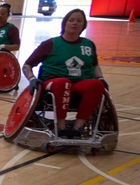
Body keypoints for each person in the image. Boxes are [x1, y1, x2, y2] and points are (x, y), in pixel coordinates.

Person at [22, 8, 106, 139]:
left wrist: (100, 78)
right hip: (53, 81)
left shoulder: (88, 45)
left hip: (80, 81)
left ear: (83, 25)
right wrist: (32, 78)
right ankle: (61, 127)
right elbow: (27, 65)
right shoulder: (50, 43)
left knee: (96, 85)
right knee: (63, 83)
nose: (75, 23)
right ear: (65, 23)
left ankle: (77, 128)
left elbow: (95, 65)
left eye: (79, 21)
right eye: (71, 20)